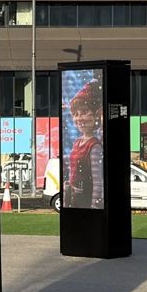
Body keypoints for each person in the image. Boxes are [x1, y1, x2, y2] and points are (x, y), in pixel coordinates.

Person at [64, 79, 104, 209]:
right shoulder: (77, 142)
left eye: (85, 112)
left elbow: (98, 184)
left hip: (86, 202)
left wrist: (94, 207)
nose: (79, 118)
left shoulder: (95, 146)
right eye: (76, 114)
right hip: (74, 201)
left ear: (96, 115)